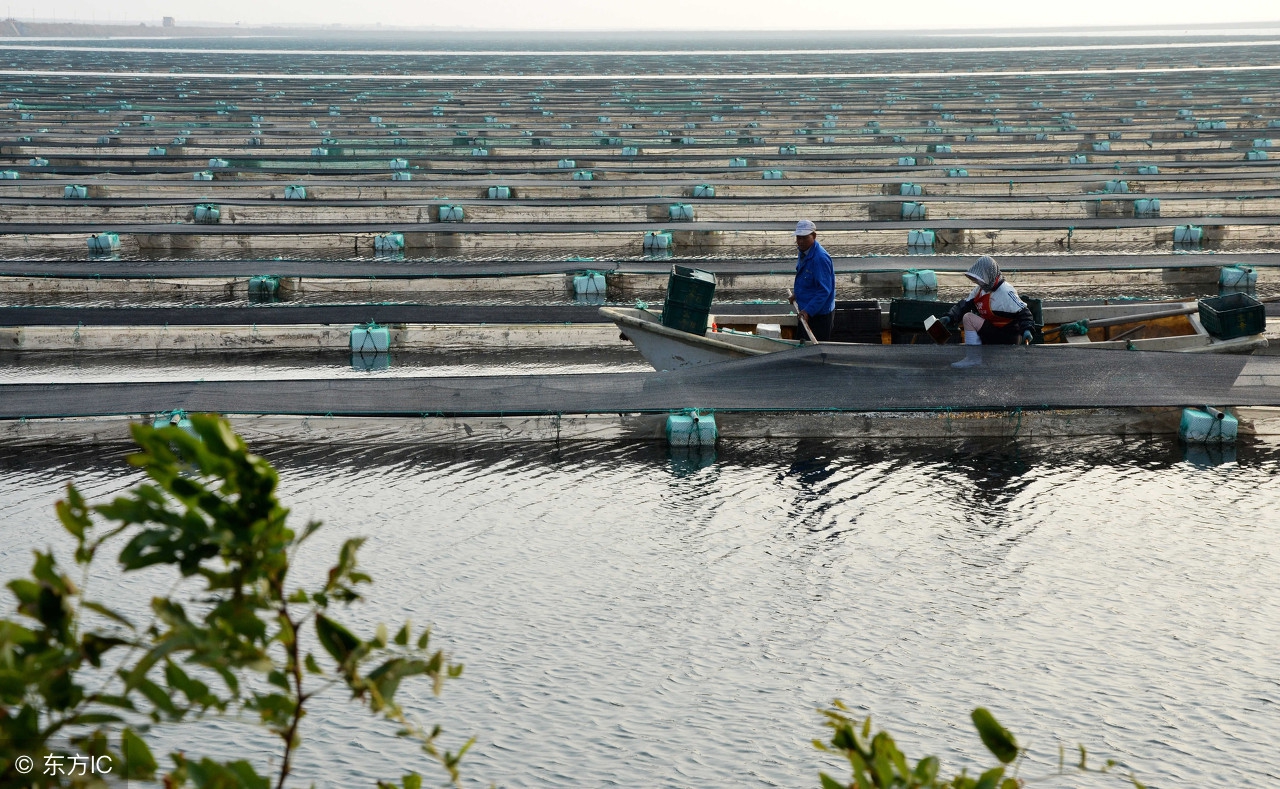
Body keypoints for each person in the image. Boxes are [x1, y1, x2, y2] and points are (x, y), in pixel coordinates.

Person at [938, 255, 1034, 368]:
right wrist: (950, 317)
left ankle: (973, 359)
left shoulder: (1005, 292)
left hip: (1008, 337)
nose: (978, 282)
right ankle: (976, 356)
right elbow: (964, 305)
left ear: (989, 275)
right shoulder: (980, 290)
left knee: (968, 318)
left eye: (981, 277)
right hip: (993, 332)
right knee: (967, 315)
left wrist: (1027, 329)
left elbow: (1024, 312)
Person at [790, 219, 835, 342]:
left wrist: (808, 311)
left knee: (815, 352)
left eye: (804, 238)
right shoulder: (803, 252)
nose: (800, 241)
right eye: (798, 238)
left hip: (819, 315)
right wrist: (797, 294)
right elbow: (806, 280)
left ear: (814, 236)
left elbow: (824, 291)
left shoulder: (820, 258)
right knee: (801, 346)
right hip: (805, 311)